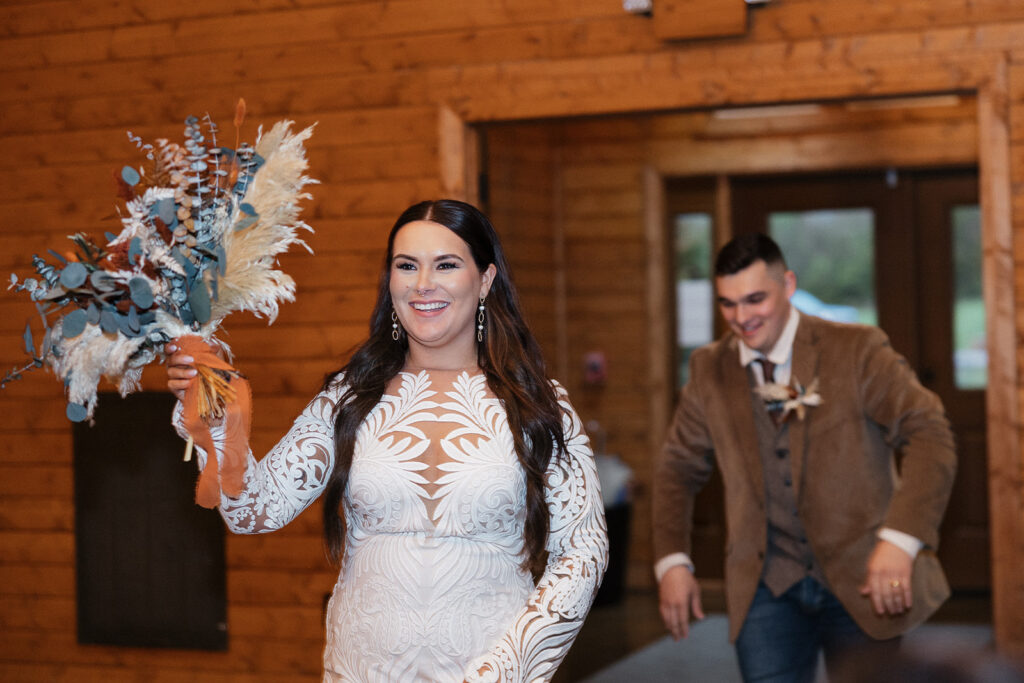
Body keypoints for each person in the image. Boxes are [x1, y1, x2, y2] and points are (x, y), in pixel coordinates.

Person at [166, 199, 609, 682]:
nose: (423, 284)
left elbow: (583, 550)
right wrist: (215, 414)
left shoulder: (539, 404)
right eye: (406, 266)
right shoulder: (350, 397)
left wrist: (505, 670)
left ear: (485, 280)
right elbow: (255, 509)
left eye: (446, 265)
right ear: (390, 281)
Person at [652, 233, 956, 682]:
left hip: (860, 576)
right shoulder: (708, 370)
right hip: (764, 584)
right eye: (727, 304)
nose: (742, 318)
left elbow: (930, 433)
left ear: (788, 285)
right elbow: (677, 469)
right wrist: (673, 561)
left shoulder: (857, 350)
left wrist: (901, 539)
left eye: (755, 299)